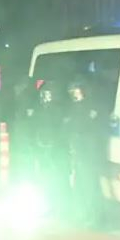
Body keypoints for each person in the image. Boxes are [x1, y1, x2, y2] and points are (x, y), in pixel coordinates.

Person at [64, 76, 107, 226]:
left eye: (76, 91)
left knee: (90, 185)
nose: (74, 95)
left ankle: (94, 218)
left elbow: (90, 129)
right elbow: (71, 127)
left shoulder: (92, 106)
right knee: (81, 185)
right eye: (72, 92)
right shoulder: (75, 107)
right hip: (79, 152)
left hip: (89, 153)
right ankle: (84, 215)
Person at [33, 80, 69, 214]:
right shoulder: (42, 110)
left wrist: (53, 144)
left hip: (55, 150)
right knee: (46, 178)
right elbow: (39, 127)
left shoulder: (58, 110)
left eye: (46, 94)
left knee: (58, 179)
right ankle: (50, 207)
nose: (44, 97)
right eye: (43, 94)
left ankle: (61, 208)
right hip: (44, 148)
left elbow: (60, 131)